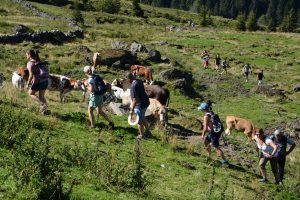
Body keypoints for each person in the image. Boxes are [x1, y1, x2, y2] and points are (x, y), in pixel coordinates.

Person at [126, 71, 151, 139]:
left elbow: (135, 100)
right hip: (145, 102)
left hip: (139, 104)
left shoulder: (133, 86)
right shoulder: (139, 81)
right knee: (142, 116)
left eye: (127, 80)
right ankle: (148, 131)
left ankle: (141, 135)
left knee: (138, 120)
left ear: (129, 79)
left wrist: (131, 110)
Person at [26, 49, 49, 114]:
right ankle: (45, 111)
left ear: (29, 55)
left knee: (30, 93)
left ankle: (42, 105)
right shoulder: (39, 61)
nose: (26, 56)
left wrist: (28, 84)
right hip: (45, 81)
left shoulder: (30, 63)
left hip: (38, 81)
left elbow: (30, 75)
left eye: (26, 55)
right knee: (41, 96)